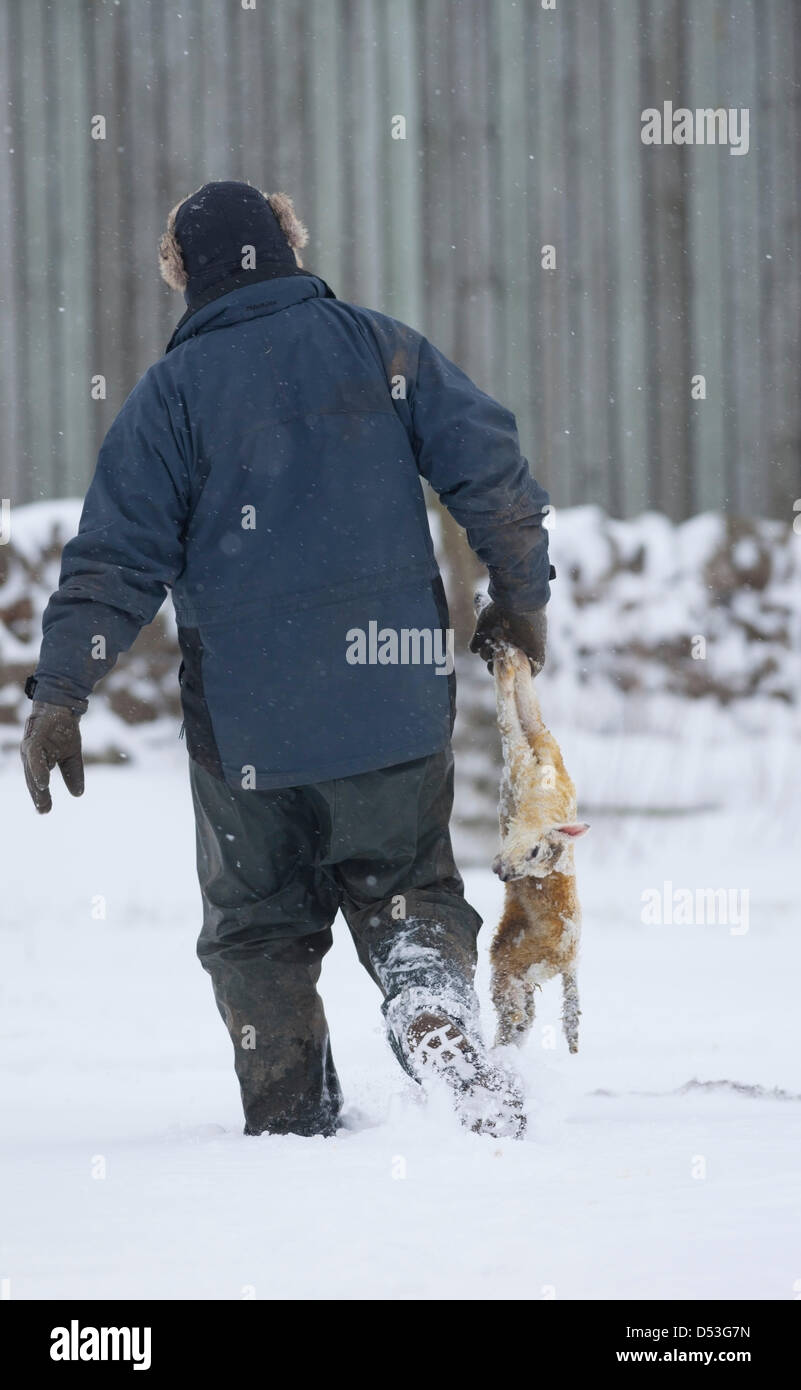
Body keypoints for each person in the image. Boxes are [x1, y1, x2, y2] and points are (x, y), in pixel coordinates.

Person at [20, 181, 552, 1139]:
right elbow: (493, 472)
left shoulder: (168, 400)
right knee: (407, 896)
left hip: (248, 730)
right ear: (293, 241)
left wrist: (62, 689)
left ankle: (289, 1131)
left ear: (180, 272)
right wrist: (518, 597)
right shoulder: (379, 345)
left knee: (259, 933)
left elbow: (114, 560)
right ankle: (433, 1018)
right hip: (392, 700)